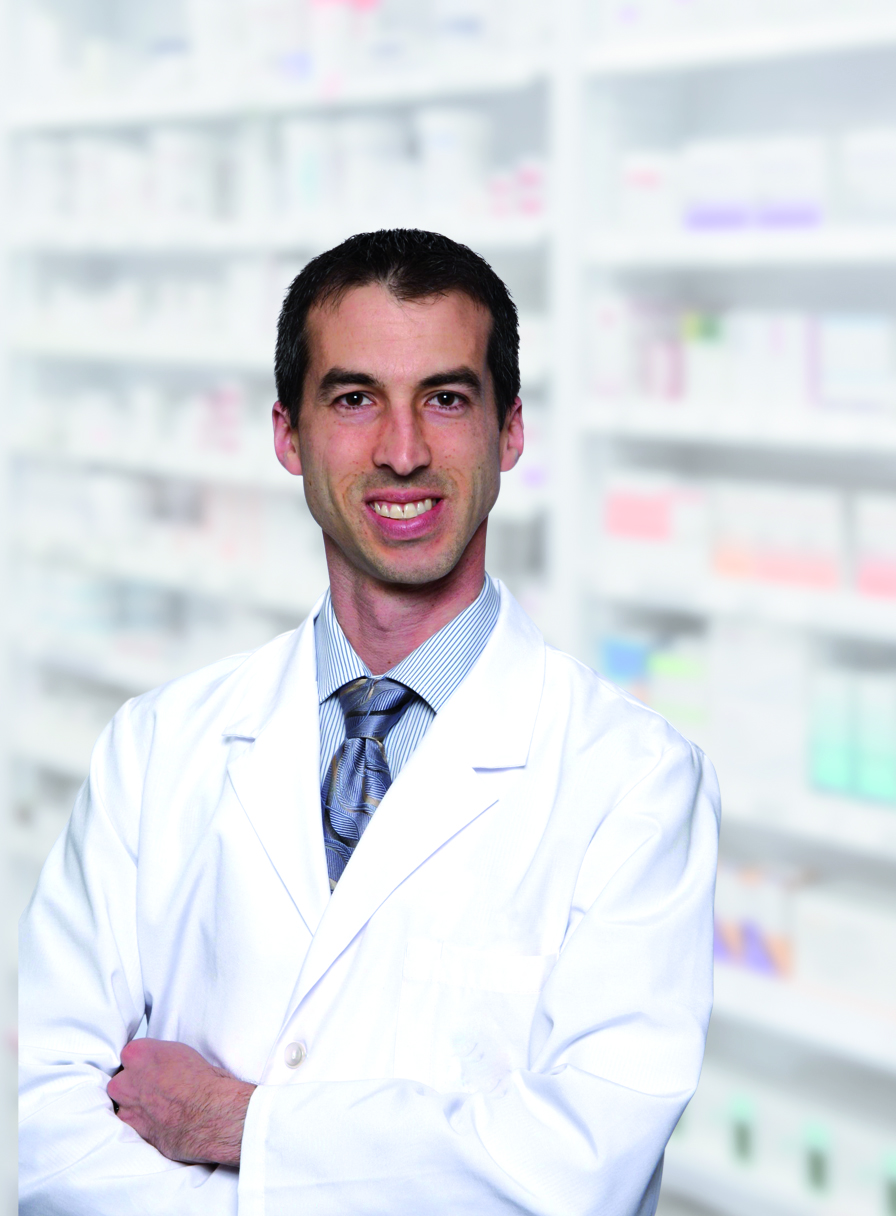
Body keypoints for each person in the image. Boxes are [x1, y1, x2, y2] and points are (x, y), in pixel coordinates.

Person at [19, 229, 720, 1215]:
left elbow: (578, 1169)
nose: (402, 451)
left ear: (511, 432)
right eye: (354, 399)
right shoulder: (156, 747)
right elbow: (47, 1128)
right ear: (287, 435)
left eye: (446, 399)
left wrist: (240, 1124)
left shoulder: (635, 781)